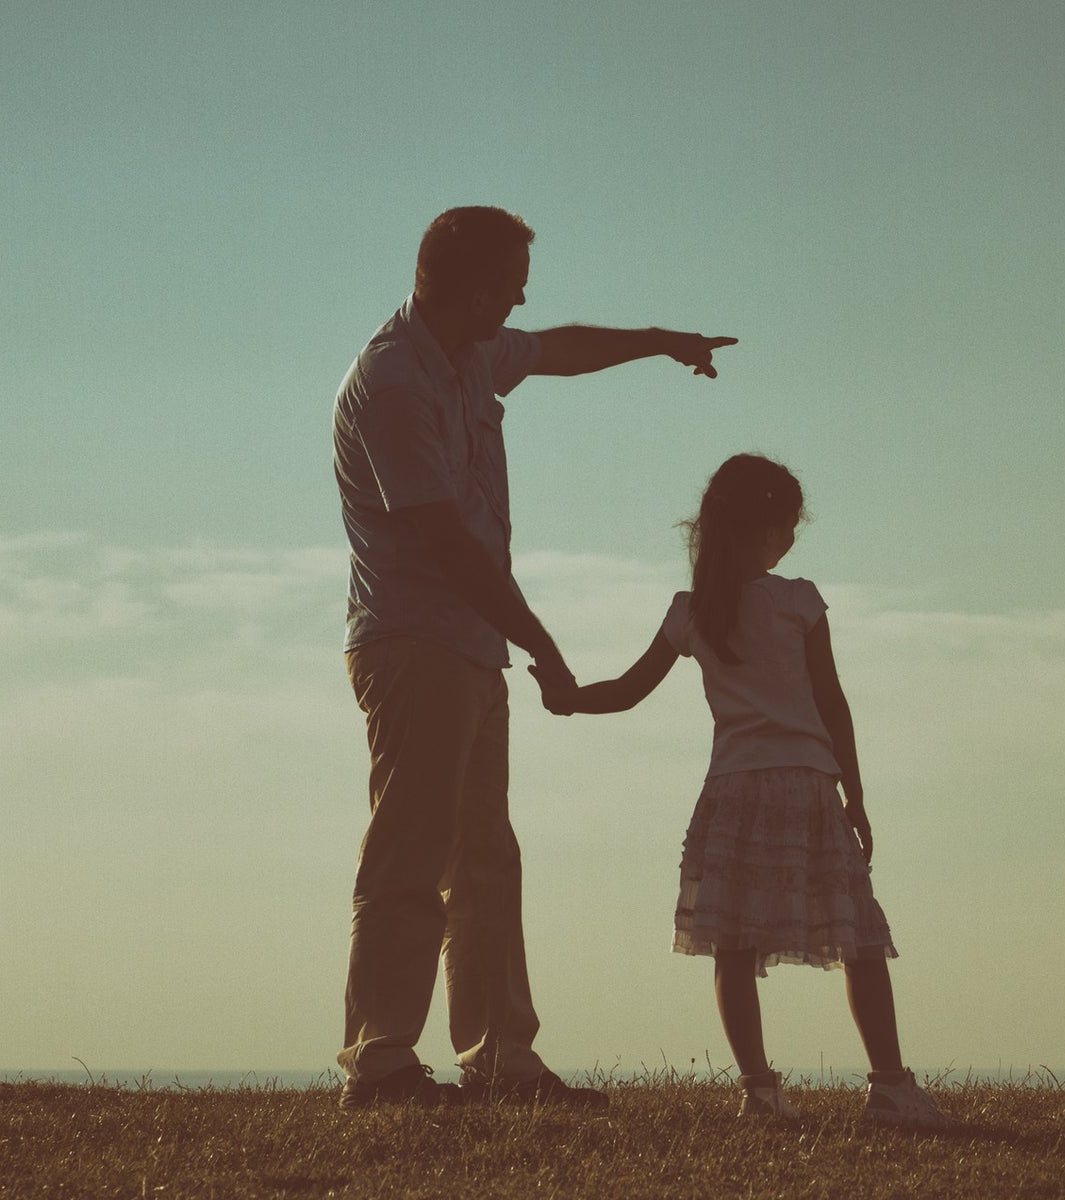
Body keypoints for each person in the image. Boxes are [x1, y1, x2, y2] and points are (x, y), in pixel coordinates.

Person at [331, 206, 736, 1109]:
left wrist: (660, 340)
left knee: (485, 859)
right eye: (511, 280)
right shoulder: (394, 381)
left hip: (470, 647)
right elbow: (444, 541)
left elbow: (558, 349)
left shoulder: (471, 354)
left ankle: (501, 1058)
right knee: (412, 851)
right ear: (469, 287)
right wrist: (544, 646)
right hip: (416, 641)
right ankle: (382, 1061)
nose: (521, 297)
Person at [539, 453, 955, 1128]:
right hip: (806, 783)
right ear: (764, 529)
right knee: (858, 939)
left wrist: (567, 699)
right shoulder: (798, 600)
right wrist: (857, 792)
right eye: (787, 525)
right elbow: (831, 701)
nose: (791, 538)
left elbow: (627, 692)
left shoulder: (691, 611)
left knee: (732, 943)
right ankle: (890, 1087)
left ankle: (760, 1091)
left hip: (732, 789)